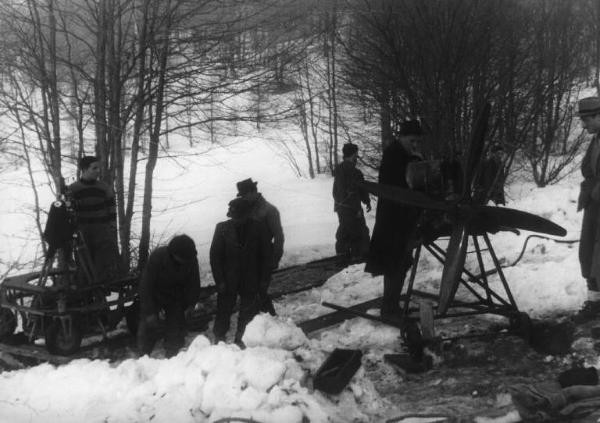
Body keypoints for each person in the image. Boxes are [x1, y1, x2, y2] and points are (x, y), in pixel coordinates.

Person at [365, 119, 424, 320]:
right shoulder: (394, 155)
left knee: (401, 261)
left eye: (418, 141)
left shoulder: (404, 154)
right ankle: (389, 308)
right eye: (412, 140)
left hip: (401, 217)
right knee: (395, 262)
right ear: (402, 137)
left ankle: (391, 305)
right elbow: (402, 186)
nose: (415, 144)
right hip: (393, 219)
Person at [210, 197, 271, 346]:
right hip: (228, 279)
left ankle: (241, 339)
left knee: (248, 311)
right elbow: (215, 257)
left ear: (247, 215)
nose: (236, 220)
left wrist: (264, 280)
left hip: (251, 279)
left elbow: (266, 256)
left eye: (240, 217)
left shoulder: (259, 228)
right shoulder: (222, 229)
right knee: (223, 310)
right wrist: (220, 281)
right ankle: (219, 338)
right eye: (234, 217)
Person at [137, 234, 202, 357]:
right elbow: (146, 286)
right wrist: (150, 311)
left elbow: (194, 283)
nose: (184, 261)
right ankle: (143, 357)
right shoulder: (158, 257)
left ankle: (172, 357)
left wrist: (191, 304)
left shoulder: (191, 259)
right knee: (148, 326)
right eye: (181, 258)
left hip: (175, 297)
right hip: (155, 295)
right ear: (173, 254)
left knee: (176, 329)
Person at [236, 178, 284, 315]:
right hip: (248, 258)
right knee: (252, 292)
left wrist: (275, 259)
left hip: (264, 257)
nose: (243, 198)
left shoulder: (269, 210)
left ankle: (271, 320)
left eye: (245, 195)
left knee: (261, 291)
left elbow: (279, 237)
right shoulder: (245, 207)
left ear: (252, 192)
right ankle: (262, 321)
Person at [69, 156, 119, 284]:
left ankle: (100, 294)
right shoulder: (73, 189)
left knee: (101, 266)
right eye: (94, 168)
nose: (98, 171)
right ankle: (85, 295)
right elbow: (69, 213)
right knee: (84, 266)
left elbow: (112, 209)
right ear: (84, 169)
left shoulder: (104, 187)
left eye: (99, 168)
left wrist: (111, 228)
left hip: (102, 232)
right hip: (83, 233)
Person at [576, 96, 600, 308]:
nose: (583, 125)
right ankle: (594, 300)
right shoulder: (596, 139)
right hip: (594, 203)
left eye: (587, 119)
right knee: (588, 252)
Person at [332, 143, 372, 259]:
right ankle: (359, 256)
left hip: (341, 208)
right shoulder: (355, 172)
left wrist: (339, 204)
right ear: (353, 154)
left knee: (344, 229)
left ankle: (342, 254)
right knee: (359, 231)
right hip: (352, 208)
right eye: (356, 154)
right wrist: (362, 205)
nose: (357, 157)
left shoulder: (338, 171)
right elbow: (358, 190)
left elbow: (335, 192)